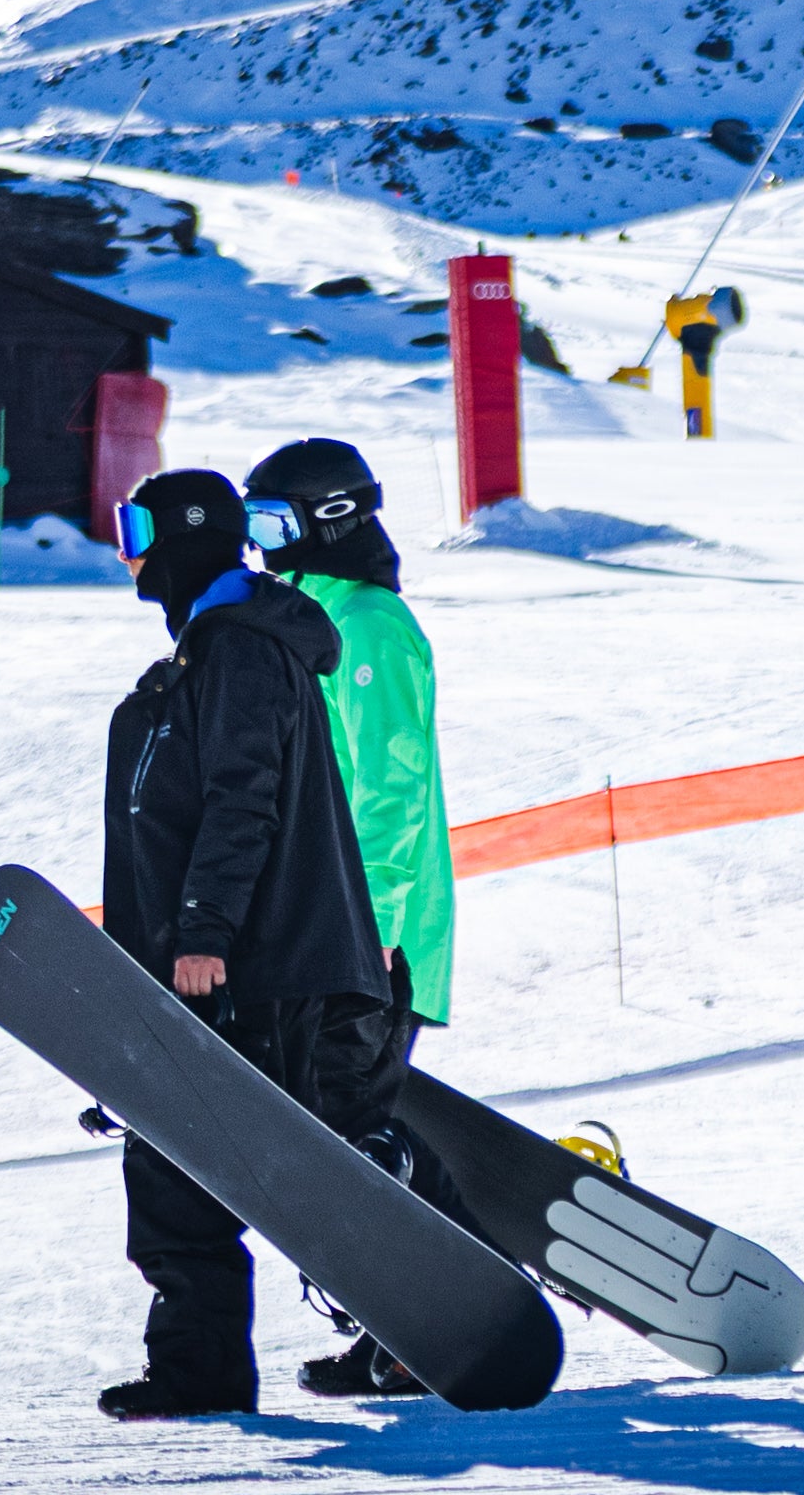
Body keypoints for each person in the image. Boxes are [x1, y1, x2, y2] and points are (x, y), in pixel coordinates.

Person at [95, 469, 402, 1419]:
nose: (128, 554)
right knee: (175, 1161)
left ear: (184, 537)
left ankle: (412, 1312)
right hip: (235, 966)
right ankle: (200, 1370)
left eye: (136, 530)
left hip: (262, 968)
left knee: (263, 1164)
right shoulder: (207, 655)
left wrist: (204, 934)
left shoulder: (238, 651)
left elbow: (244, 799)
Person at [242, 438, 463, 1399]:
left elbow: (392, 788)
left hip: (375, 935)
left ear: (329, 518)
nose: (259, 544)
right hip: (323, 927)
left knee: (347, 1133)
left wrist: (367, 921)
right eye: (250, 523)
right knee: (333, 1132)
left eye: (271, 522)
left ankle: (428, 1321)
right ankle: (397, 1321)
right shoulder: (308, 616)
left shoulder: (371, 626)